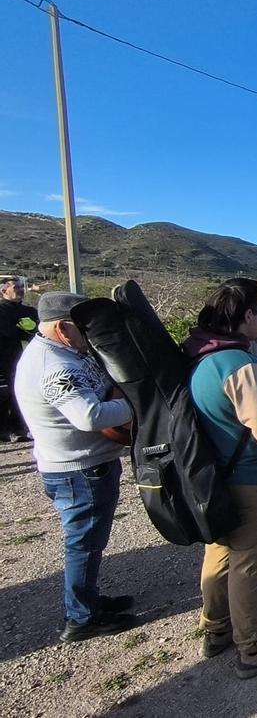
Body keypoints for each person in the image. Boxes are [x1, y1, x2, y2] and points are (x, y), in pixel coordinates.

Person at [183, 278, 257, 678]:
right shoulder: (242, 364)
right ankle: (254, 647)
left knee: (219, 555)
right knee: (249, 565)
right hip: (253, 477)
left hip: (215, 476)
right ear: (247, 315)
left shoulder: (201, 354)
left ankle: (215, 629)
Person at [14, 292, 137, 642]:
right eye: (84, 328)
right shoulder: (54, 366)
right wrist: (139, 408)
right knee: (83, 543)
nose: (90, 334)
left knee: (89, 541)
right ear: (64, 328)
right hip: (78, 471)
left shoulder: (65, 352)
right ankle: (81, 618)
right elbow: (89, 415)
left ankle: (87, 601)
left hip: (87, 466)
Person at [1, 274, 38, 442]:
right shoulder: (2, 311)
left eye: (22, 287)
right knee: (5, 395)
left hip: (24, 358)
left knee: (21, 393)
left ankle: (20, 427)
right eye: (16, 288)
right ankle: (5, 429)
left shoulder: (29, 311)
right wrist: (24, 330)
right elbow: (9, 332)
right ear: (3, 291)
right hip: (4, 359)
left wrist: (25, 330)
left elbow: (38, 331)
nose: (21, 291)